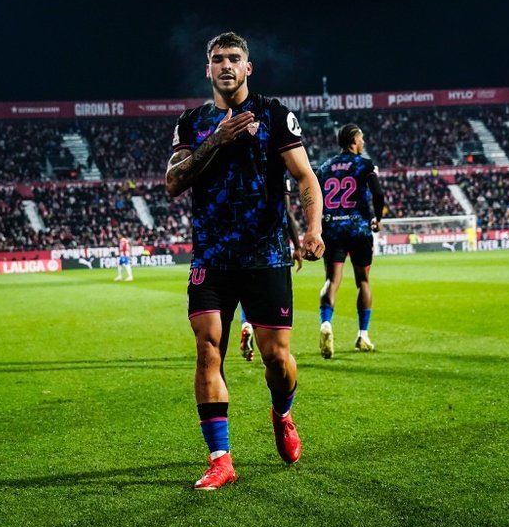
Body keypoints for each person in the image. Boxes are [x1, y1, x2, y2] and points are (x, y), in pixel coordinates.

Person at [165, 31, 324, 490]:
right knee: (207, 346)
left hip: (266, 255)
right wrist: (214, 140)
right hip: (212, 256)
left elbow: (305, 178)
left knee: (277, 359)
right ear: (208, 69)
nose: (226, 66)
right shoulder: (192, 123)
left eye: (235, 58)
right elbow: (173, 182)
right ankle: (221, 459)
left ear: (248, 67)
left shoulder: (275, 115)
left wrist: (313, 230)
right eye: (218, 59)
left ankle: (283, 412)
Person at [314, 123, 386, 358]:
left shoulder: (325, 167)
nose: (363, 142)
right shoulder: (364, 165)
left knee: (331, 280)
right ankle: (363, 335)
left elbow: (313, 196)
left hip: (332, 229)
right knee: (363, 281)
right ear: (354, 140)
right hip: (358, 230)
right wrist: (377, 217)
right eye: (362, 137)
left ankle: (326, 324)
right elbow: (378, 193)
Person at [239, 180, 304, 362]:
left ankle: (246, 323)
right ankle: (274, 352)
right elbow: (287, 211)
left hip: (244, 244)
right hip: (274, 250)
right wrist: (297, 247)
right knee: (272, 306)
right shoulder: (277, 169)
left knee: (246, 292)